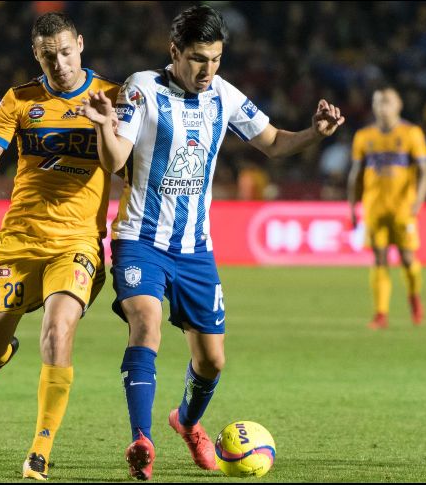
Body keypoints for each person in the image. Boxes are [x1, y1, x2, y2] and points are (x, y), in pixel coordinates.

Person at [76, 5, 344, 480]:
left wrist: (314, 134)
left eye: (216, 59)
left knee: (212, 360)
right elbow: (117, 159)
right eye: (199, 59)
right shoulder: (141, 88)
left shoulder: (223, 94)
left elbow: (275, 142)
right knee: (145, 324)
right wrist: (103, 125)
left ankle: (186, 421)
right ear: (174, 51)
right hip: (140, 238)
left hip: (195, 248)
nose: (208, 70)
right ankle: (142, 439)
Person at [0, 12, 121, 481]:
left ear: (81, 46)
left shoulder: (111, 96)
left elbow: (120, 163)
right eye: (49, 55)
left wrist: (104, 125)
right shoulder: (20, 98)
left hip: (77, 242)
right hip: (20, 239)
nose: (60, 63)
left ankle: (40, 449)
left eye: (67, 52)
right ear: (37, 54)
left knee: (58, 329)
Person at [347, 87, 426, 330]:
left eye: (388, 102)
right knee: (379, 258)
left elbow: (425, 171)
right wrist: (353, 206)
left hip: (403, 208)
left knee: (406, 258)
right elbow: (356, 175)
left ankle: (414, 297)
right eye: (378, 102)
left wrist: (418, 201)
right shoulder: (364, 136)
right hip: (374, 208)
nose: (383, 107)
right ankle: (381, 313)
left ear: (399, 105)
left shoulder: (411, 133)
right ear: (373, 107)